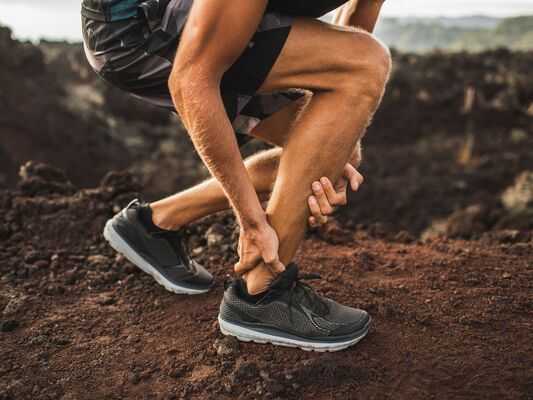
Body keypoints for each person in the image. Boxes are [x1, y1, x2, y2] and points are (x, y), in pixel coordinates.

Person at [83, 0, 390, 351]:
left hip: (219, 19)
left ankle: (153, 224)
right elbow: (191, 79)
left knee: (339, 147)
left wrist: (324, 145)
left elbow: (347, 45)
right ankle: (261, 294)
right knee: (365, 62)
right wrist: (252, 220)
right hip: (132, 31)